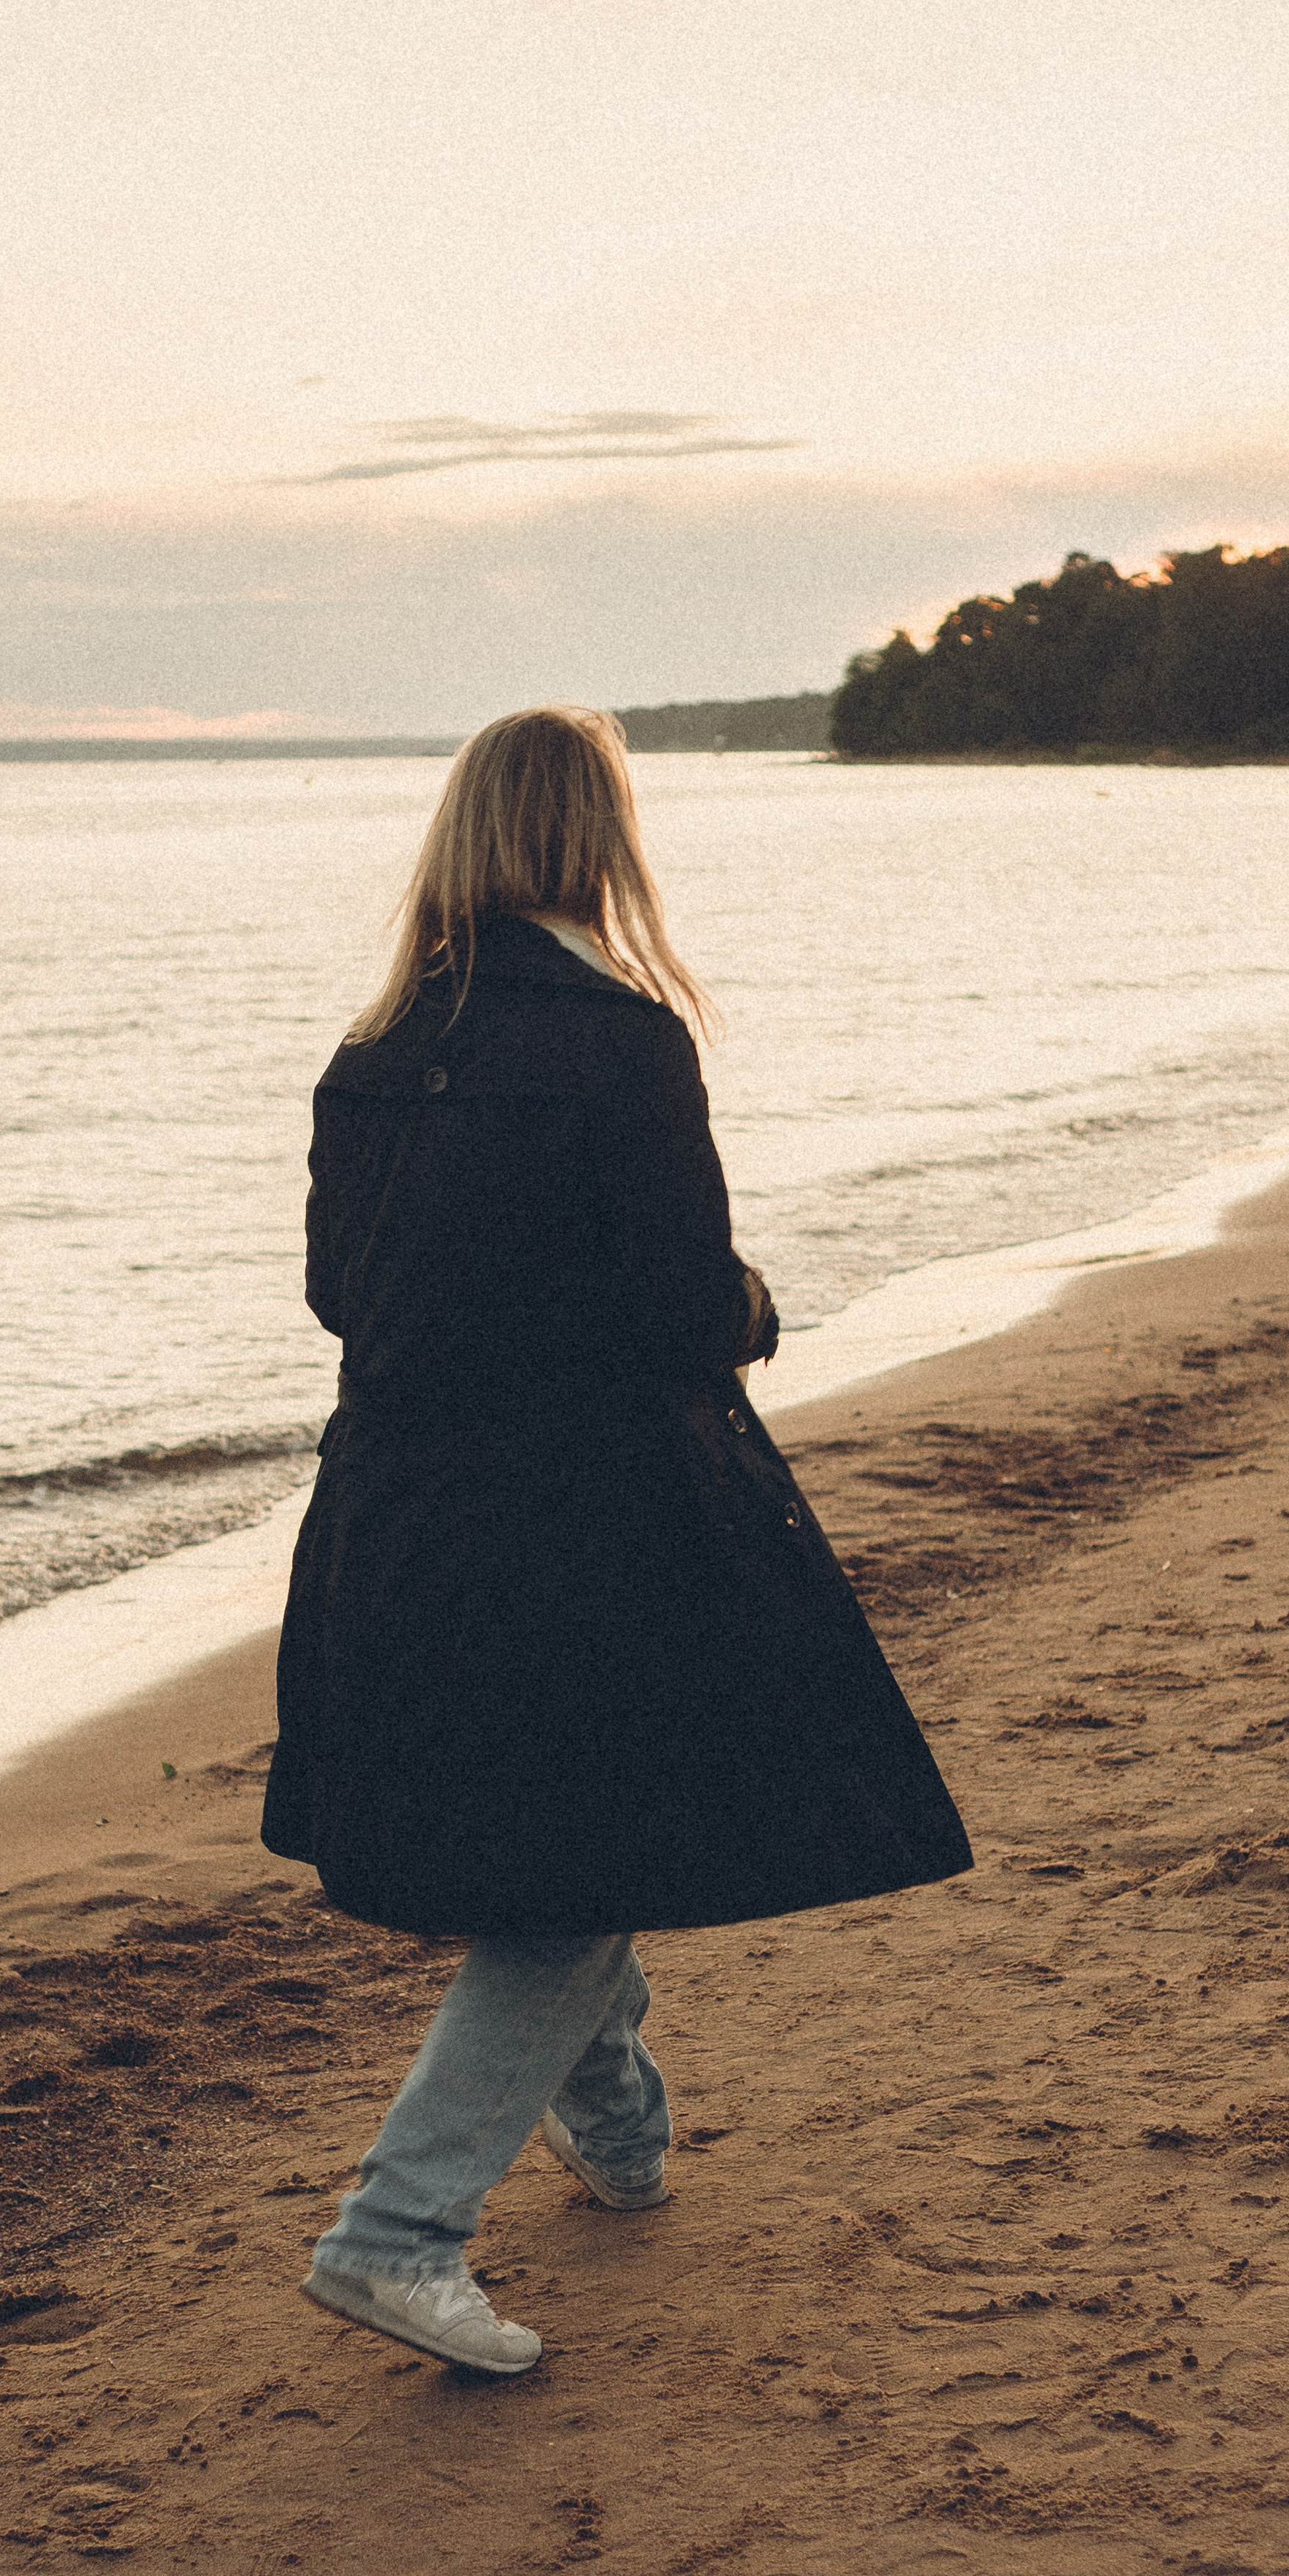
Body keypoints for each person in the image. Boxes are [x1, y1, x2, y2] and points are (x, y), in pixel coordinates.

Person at [260, 706, 971, 2374]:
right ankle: (398, 2232)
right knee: (578, 1871)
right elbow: (678, 1305)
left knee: (576, 1828)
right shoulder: (620, 1037)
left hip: (391, 1507)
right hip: (573, 1517)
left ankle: (621, 2129)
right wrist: (752, 1304)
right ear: (599, 839)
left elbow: (337, 1298)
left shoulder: (369, 1053)